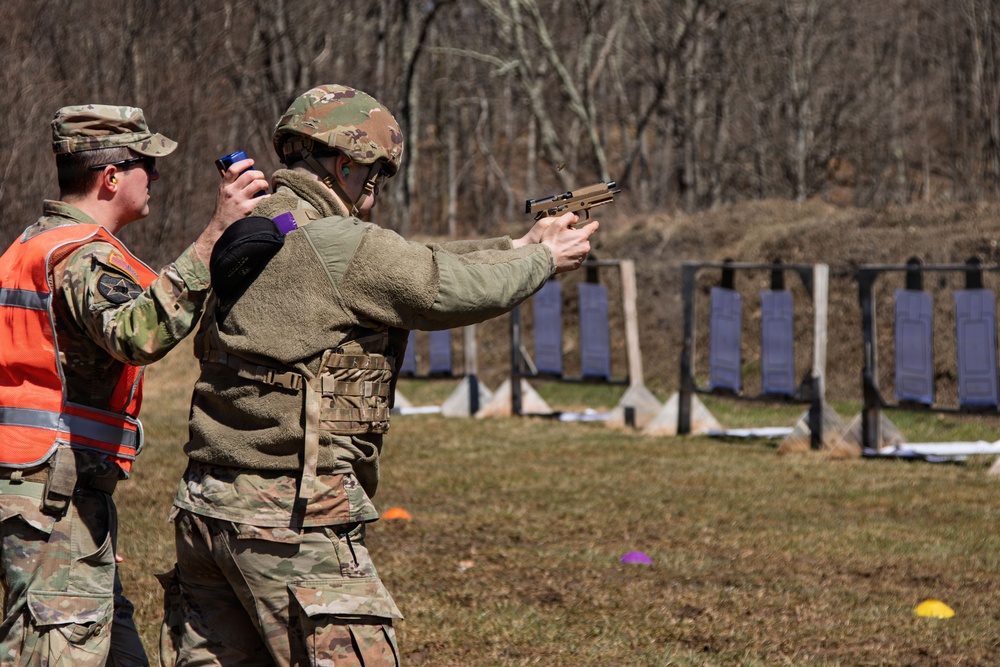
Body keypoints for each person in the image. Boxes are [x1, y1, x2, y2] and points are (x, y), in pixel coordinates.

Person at [159, 84, 598, 667]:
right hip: (290, 517)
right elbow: (445, 287)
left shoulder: (263, 225)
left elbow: (412, 263)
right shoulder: (338, 243)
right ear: (346, 163)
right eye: (372, 181)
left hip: (207, 507)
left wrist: (516, 244)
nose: (371, 199)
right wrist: (543, 259)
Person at [0, 104, 267, 666]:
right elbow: (136, 334)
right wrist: (213, 237)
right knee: (58, 646)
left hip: (46, 488)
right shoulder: (81, 256)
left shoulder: (33, 245)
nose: (157, 177)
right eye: (148, 163)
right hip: (50, 491)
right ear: (112, 176)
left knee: (108, 643)